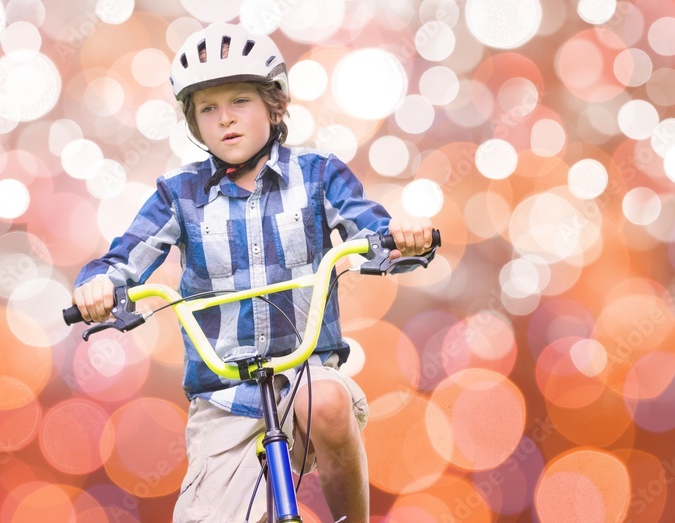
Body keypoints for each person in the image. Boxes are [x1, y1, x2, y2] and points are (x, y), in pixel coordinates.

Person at [71, 22, 434, 523]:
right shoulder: (178, 194)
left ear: (274, 104)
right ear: (194, 124)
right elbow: (124, 258)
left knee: (325, 400)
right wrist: (101, 287)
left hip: (305, 374)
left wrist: (400, 237)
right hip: (224, 396)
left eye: (240, 100)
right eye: (208, 109)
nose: (225, 119)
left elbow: (371, 229)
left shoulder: (318, 175)